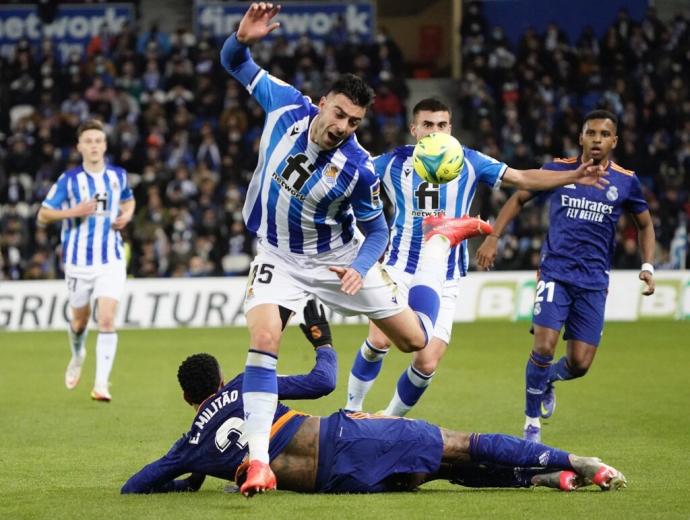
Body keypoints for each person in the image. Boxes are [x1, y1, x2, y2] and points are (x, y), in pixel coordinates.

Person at [218, 2, 498, 495]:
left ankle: (439, 244)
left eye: (354, 121)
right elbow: (235, 64)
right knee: (264, 341)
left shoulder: (359, 168)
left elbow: (377, 233)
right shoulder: (285, 104)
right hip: (279, 255)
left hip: (341, 260)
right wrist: (242, 38)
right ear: (321, 102)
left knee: (415, 342)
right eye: (339, 113)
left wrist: (360, 268)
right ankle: (259, 461)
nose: (343, 126)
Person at [121, 300, 627, 496]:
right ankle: (577, 461)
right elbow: (323, 380)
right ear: (221, 378)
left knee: (440, 472)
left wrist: (188, 479)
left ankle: (540, 476)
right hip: (345, 437)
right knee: (461, 444)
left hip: (340, 484)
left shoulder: (190, 443)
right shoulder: (246, 385)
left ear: (191, 400)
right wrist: (320, 337)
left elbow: (134, 487)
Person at [345, 98, 610, 416]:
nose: (435, 132)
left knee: (427, 362)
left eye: (442, 125)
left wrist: (572, 176)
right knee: (380, 339)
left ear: (451, 128)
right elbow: (348, 177)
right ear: (414, 129)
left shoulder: (469, 161)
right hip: (400, 267)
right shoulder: (391, 162)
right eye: (427, 125)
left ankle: (387, 421)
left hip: (446, 274)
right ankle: (351, 409)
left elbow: (522, 179)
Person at [476, 109, 656, 442]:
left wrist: (647, 265)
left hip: (594, 281)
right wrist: (493, 236)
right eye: (591, 133)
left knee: (580, 364)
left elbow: (644, 224)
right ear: (581, 137)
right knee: (543, 346)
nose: (597, 140)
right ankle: (531, 424)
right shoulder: (557, 169)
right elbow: (519, 198)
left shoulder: (626, 181)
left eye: (604, 134)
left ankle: (548, 381)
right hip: (555, 273)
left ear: (614, 140)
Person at [37, 119, 135, 402]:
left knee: (106, 319)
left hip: (111, 259)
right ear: (80, 146)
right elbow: (43, 215)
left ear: (104, 145)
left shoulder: (118, 176)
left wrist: (126, 215)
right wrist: (74, 212)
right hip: (78, 261)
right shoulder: (69, 180)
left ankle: (101, 384)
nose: (94, 145)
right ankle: (78, 353)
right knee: (79, 322)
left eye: (98, 141)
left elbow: (128, 200)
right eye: (88, 141)